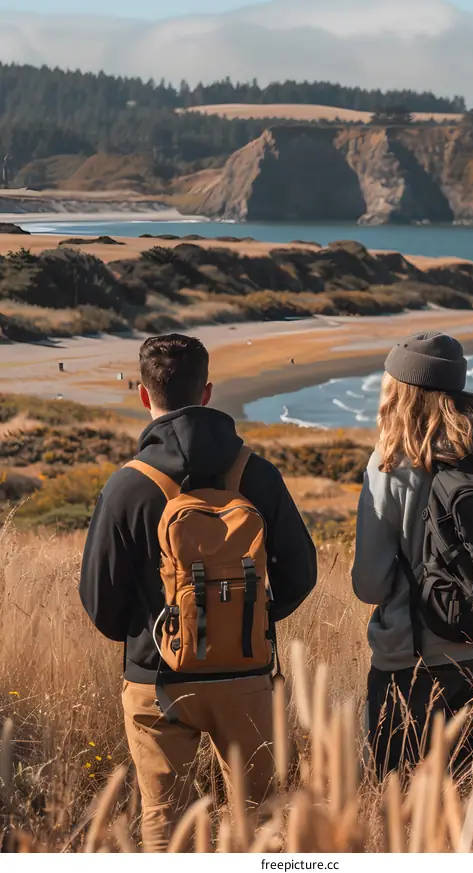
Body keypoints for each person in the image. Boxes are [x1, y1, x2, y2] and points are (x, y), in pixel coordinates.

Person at [79, 334, 317, 852]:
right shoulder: (256, 473)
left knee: (166, 823)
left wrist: (150, 635)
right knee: (262, 819)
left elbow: (100, 601)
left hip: (158, 679)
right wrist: (250, 621)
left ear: (144, 396)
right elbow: (301, 573)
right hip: (248, 674)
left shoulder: (126, 485)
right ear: (207, 392)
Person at [352, 332, 473, 780]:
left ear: (400, 389)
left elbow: (369, 584)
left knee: (396, 802)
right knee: (459, 797)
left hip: (411, 659)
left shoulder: (390, 464)